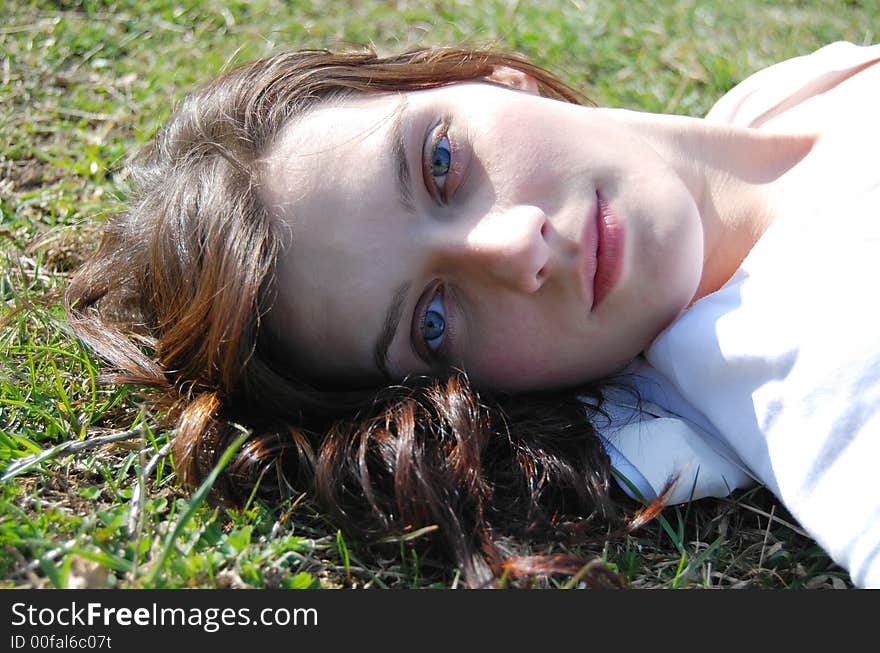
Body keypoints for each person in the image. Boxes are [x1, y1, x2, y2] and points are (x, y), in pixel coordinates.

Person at [64, 41, 880, 588]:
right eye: (432, 322)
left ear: (484, 77)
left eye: (441, 163)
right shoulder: (822, 367)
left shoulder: (770, 98)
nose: (518, 246)